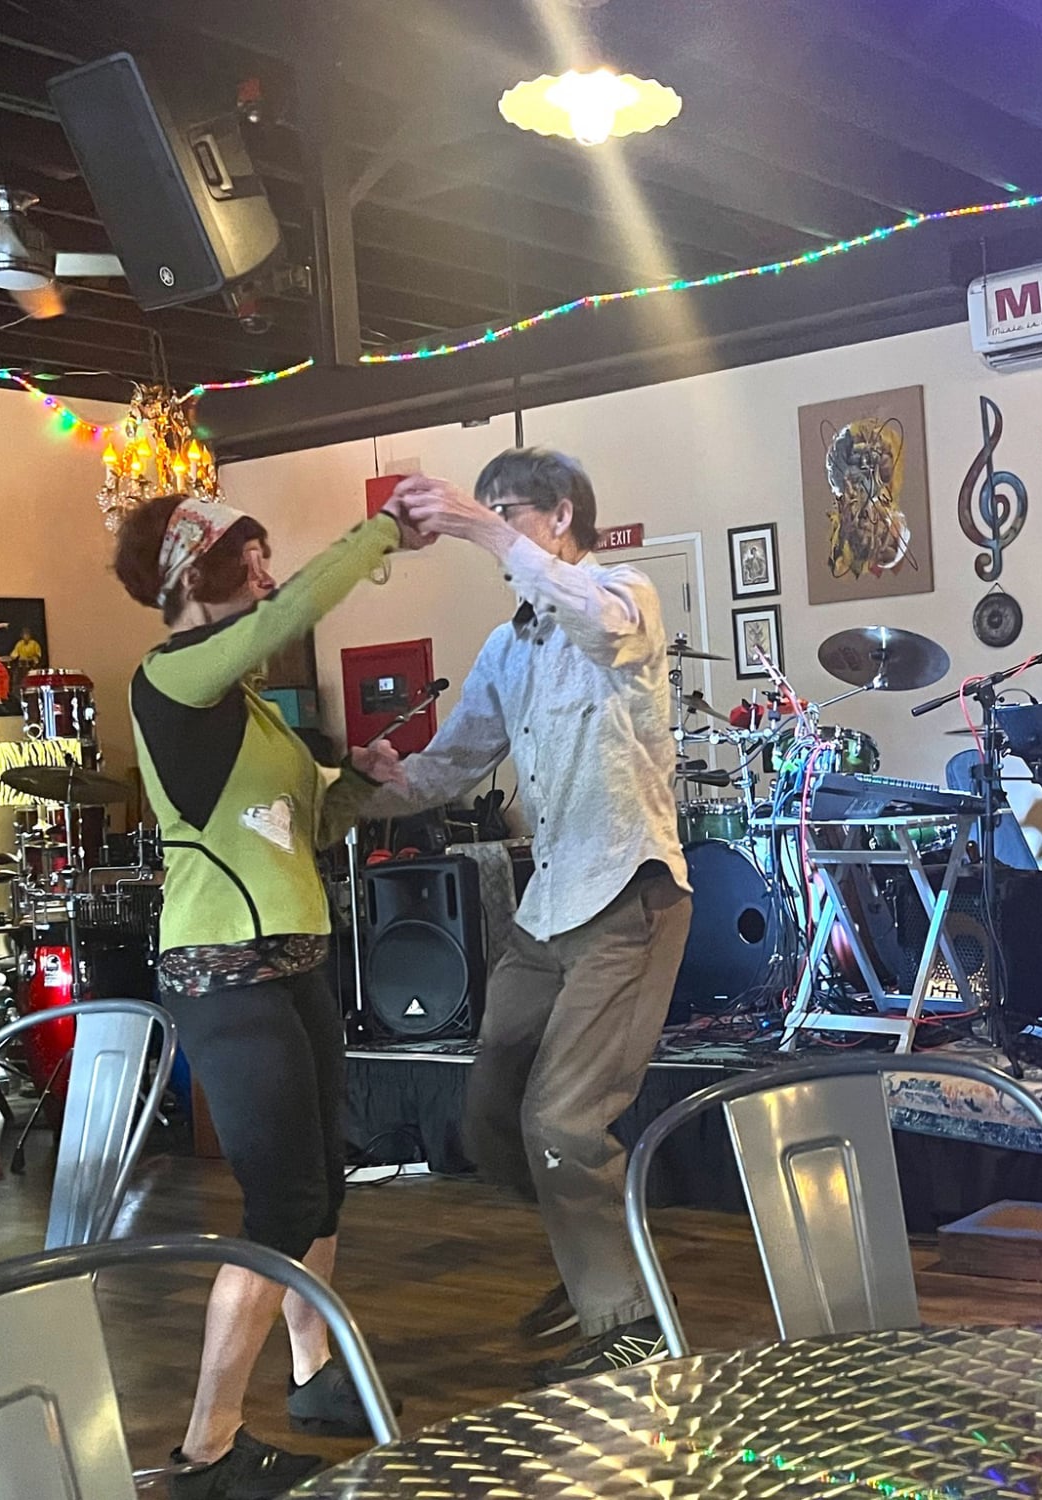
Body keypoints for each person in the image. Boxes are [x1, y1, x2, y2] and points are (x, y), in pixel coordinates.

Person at [113, 493, 419, 1498]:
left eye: (266, 556)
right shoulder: (172, 679)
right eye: (248, 555)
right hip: (224, 971)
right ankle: (206, 1448)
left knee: (320, 1185)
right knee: (280, 1202)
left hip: (292, 963)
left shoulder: (249, 710)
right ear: (193, 573)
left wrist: (357, 779)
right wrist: (382, 531)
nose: (265, 572)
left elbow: (309, 827)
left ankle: (314, 1373)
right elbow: (288, 616)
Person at [369, 450, 691, 1383]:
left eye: (509, 511)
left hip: (628, 892)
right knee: (489, 1116)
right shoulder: (507, 648)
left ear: (560, 516)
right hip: (546, 910)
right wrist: (368, 783)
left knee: (563, 1122)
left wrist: (476, 525)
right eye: (492, 512)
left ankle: (629, 1320)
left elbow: (598, 623)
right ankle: (598, 1264)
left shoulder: (622, 594)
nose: (493, 526)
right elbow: (449, 765)